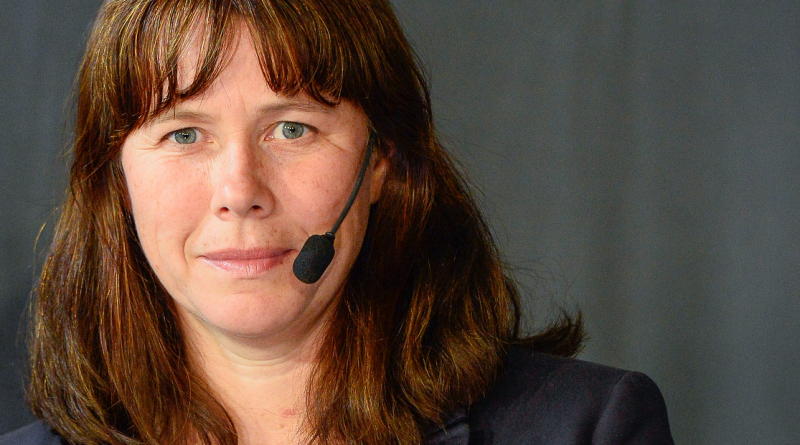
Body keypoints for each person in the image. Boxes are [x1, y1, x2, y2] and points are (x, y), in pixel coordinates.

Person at [1, 0, 674, 444]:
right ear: (115, 175)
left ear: (382, 159)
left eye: (292, 128)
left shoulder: (588, 427)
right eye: (184, 134)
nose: (239, 191)